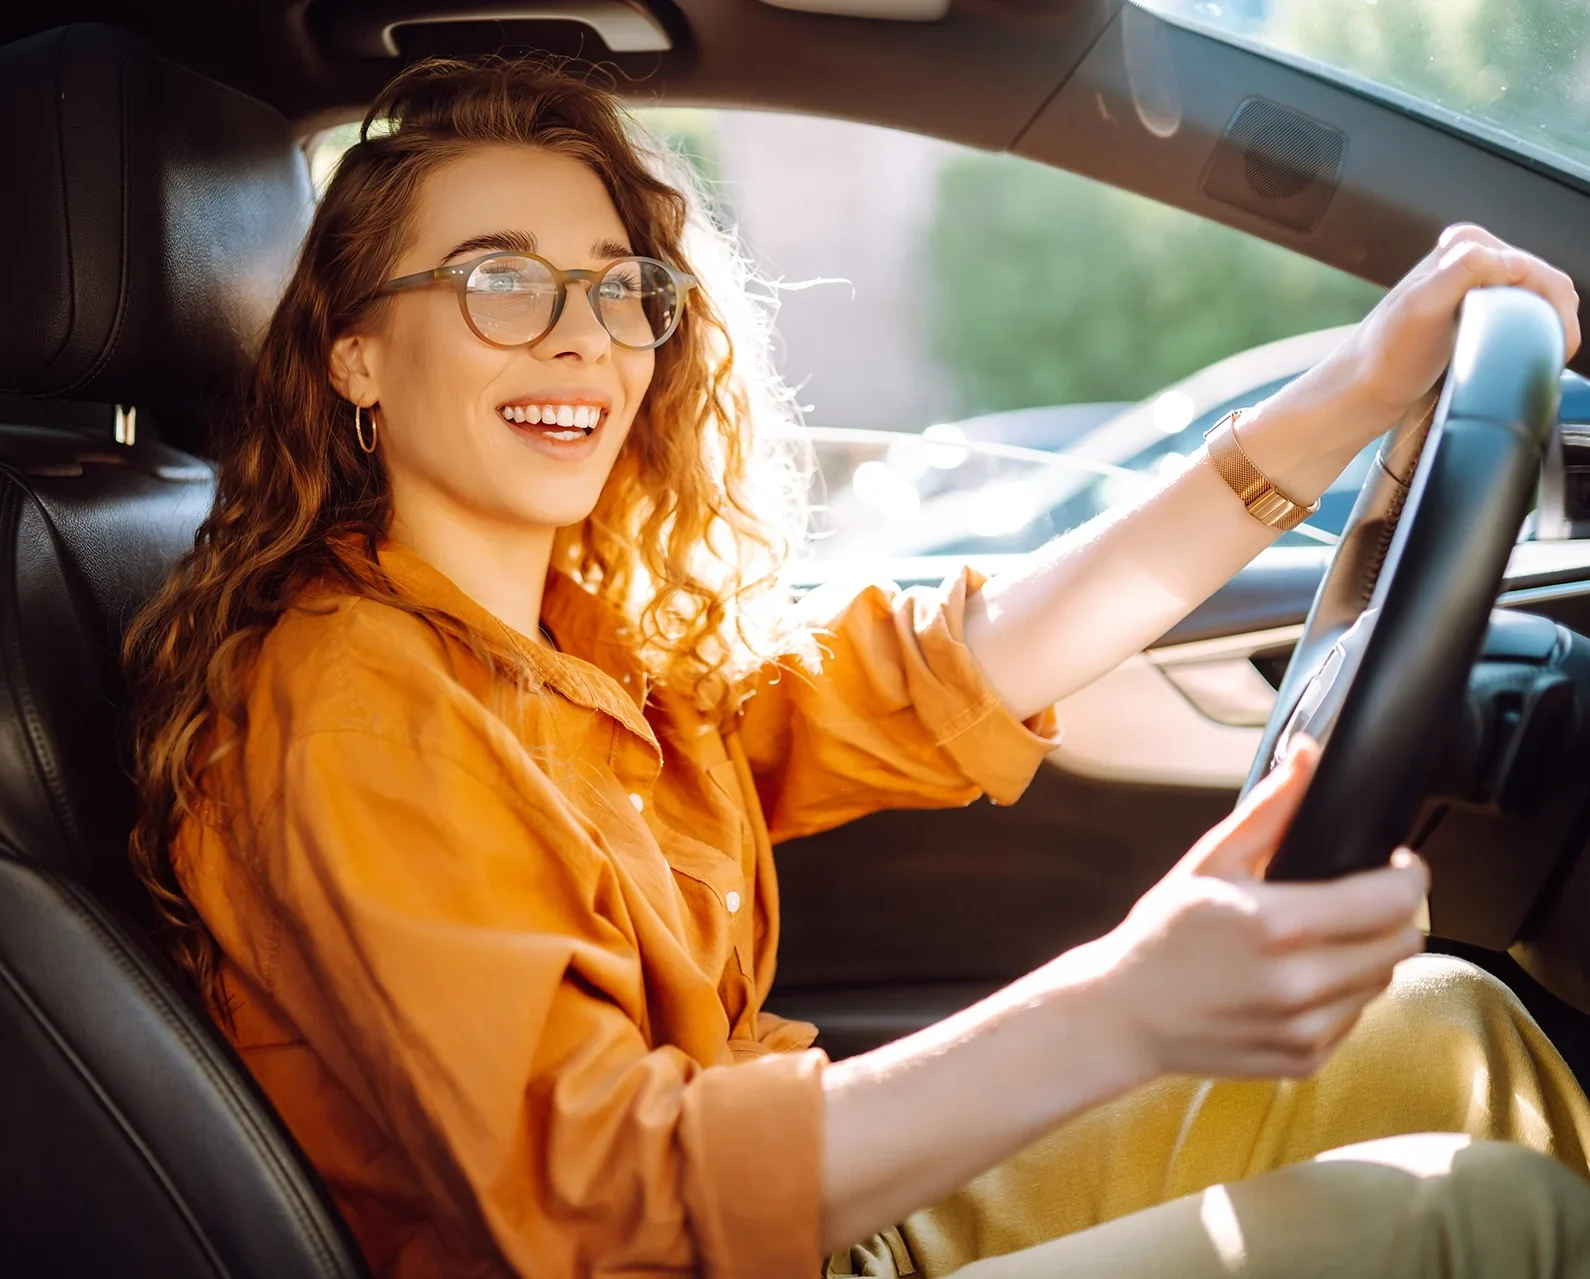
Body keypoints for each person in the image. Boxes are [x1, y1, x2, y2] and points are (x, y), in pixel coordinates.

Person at [122, 52, 1590, 1279]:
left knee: (1445, 1032)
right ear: (355, 354)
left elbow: (955, 666)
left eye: (617, 287)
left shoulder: (577, 644)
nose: (582, 341)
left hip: (817, 1226)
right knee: (1477, 1219)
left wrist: (1348, 386)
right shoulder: (352, 703)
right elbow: (601, 1210)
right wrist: (1122, 999)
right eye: (501, 282)